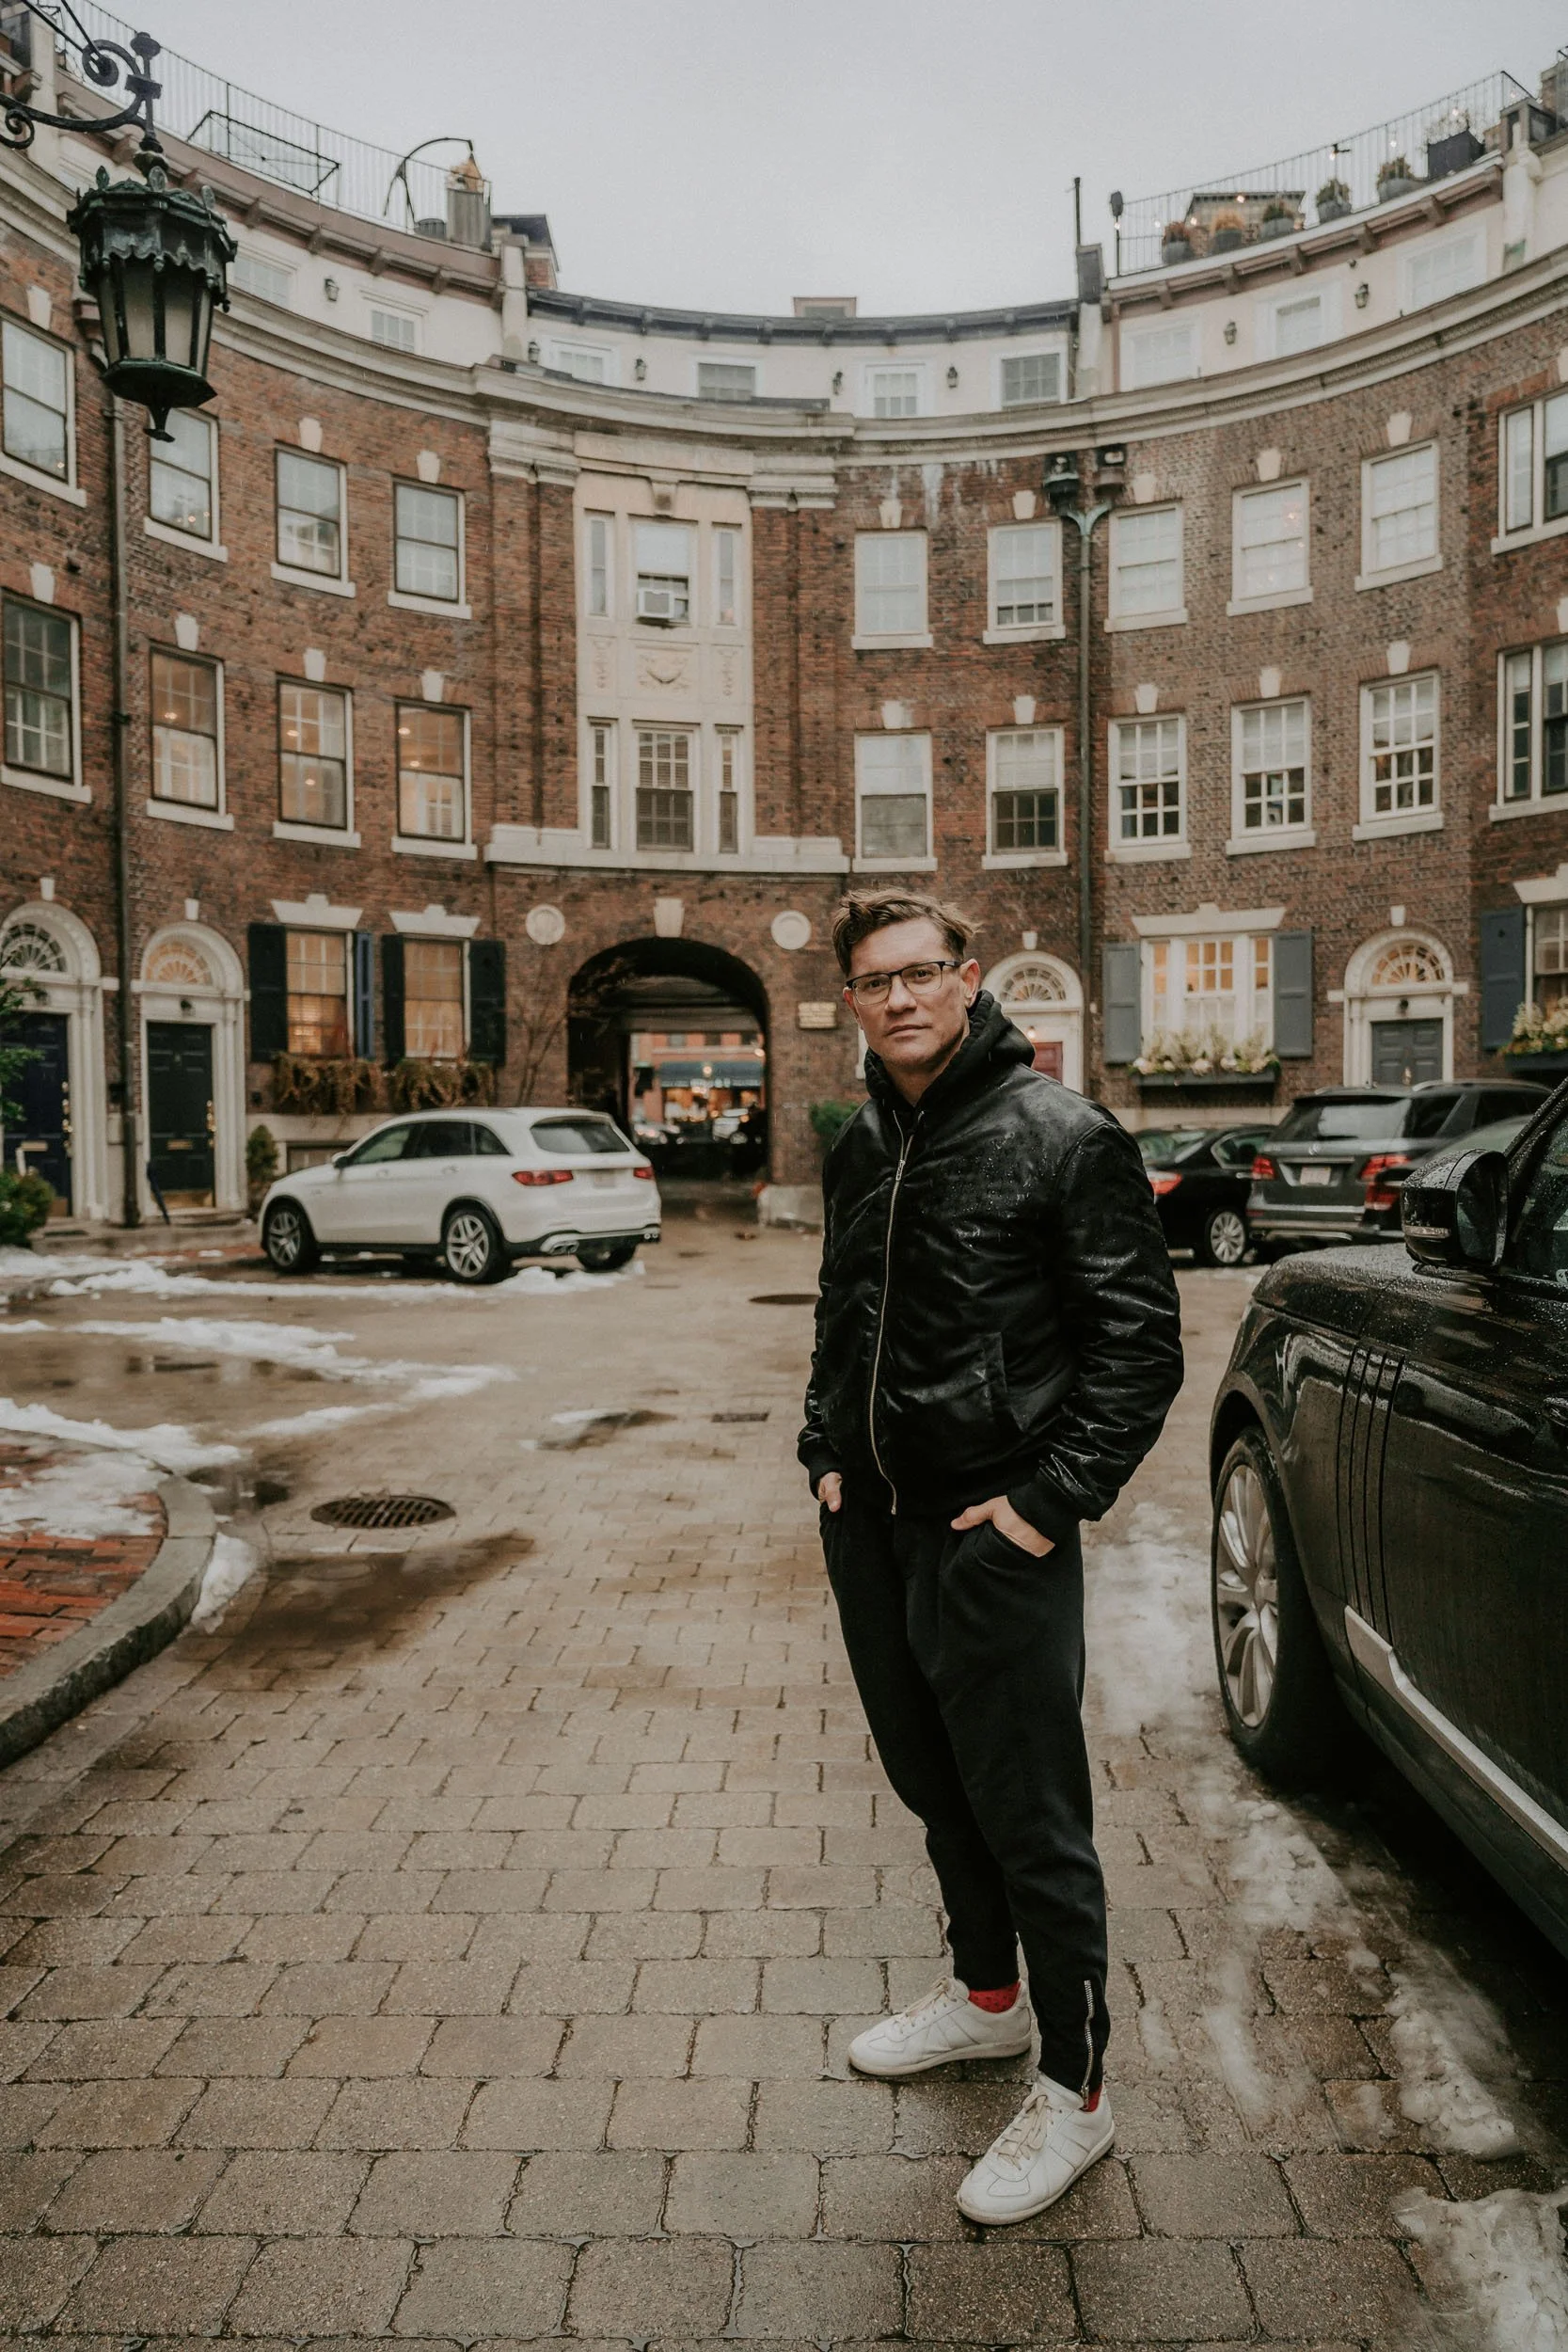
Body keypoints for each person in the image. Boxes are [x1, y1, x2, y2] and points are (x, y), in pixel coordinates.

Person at [799, 889, 1182, 2225]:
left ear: (968, 980)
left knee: (1031, 1816)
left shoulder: (1063, 1136)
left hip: (996, 1535)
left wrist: (1045, 1504)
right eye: (874, 981)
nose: (899, 998)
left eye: (921, 973)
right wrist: (823, 1448)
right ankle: (985, 2000)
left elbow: (1139, 1350)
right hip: (875, 1527)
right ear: (853, 1001)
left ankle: (1077, 2092)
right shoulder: (863, 1143)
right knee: (932, 1779)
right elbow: (842, 1310)